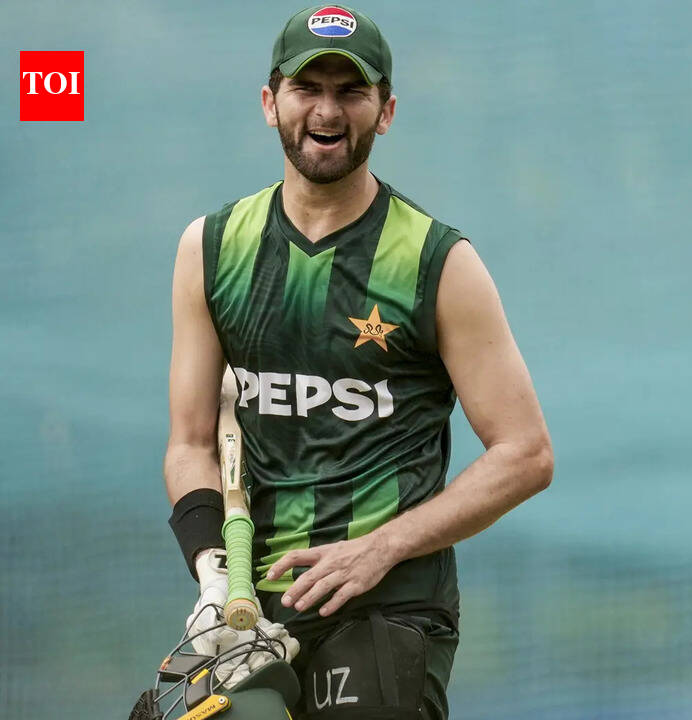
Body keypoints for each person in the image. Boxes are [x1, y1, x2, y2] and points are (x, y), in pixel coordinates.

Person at [163, 5, 554, 718]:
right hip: (256, 610)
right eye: (307, 88)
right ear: (269, 102)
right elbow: (191, 444)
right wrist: (217, 579)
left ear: (386, 112)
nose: (327, 110)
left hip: (390, 601)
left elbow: (526, 454)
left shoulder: (440, 262)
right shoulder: (211, 249)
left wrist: (382, 546)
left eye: (351, 91)